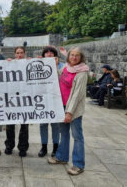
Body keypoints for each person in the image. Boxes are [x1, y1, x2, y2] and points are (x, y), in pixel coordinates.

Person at [48, 47, 89, 176]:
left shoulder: (82, 72)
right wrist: (53, 65)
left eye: (77, 55)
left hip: (73, 109)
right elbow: (58, 76)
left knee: (77, 136)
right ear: (68, 56)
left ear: (81, 58)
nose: (74, 57)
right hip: (62, 105)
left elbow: (77, 94)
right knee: (64, 133)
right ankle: (62, 157)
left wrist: (69, 112)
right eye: (72, 55)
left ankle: (78, 164)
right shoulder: (66, 67)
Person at [38, 46, 64, 158]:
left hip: (56, 99)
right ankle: (43, 147)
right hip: (43, 99)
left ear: (55, 55)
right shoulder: (39, 65)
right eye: (47, 52)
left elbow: (63, 80)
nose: (49, 54)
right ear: (43, 55)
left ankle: (55, 147)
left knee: (55, 125)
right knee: (43, 124)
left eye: (51, 52)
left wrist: (57, 66)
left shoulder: (62, 66)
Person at [4, 46, 29, 157]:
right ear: (15, 54)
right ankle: (9, 145)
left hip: (25, 98)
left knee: (24, 125)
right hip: (12, 98)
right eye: (17, 53)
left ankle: (23, 148)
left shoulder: (28, 63)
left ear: (24, 53)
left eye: (21, 53)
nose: (19, 55)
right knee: (10, 124)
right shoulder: (10, 64)